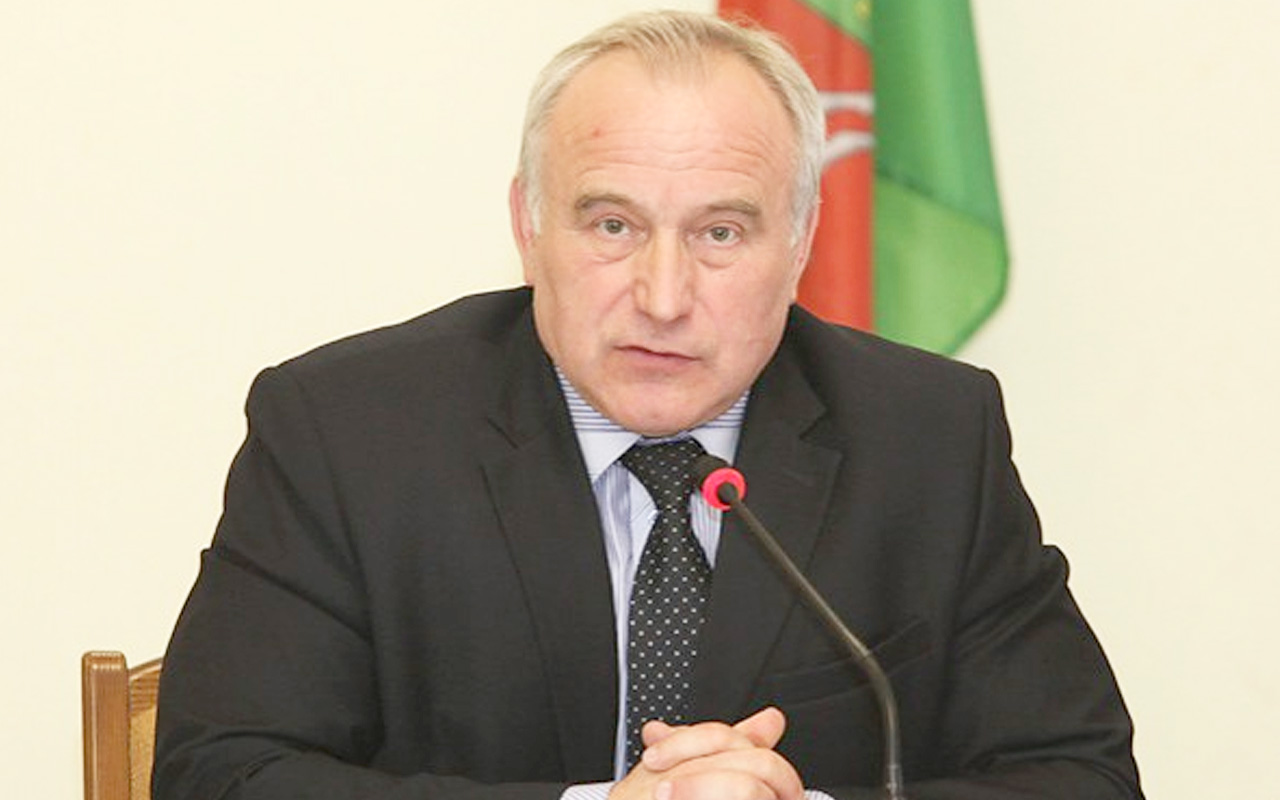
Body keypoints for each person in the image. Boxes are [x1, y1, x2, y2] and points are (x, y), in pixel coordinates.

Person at [153, 10, 1142, 800]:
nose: (663, 297)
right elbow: (221, 774)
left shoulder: (929, 437)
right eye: (613, 224)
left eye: (720, 233)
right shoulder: (344, 430)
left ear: (800, 242)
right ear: (527, 225)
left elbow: (1079, 776)